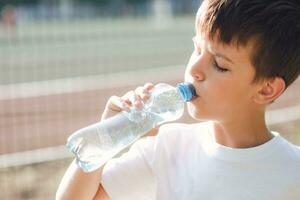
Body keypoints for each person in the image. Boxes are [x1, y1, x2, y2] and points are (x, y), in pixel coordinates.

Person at [56, 0, 300, 199]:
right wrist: (105, 140)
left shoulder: (293, 173)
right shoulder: (168, 148)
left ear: (267, 89)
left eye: (219, 65)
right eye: (197, 49)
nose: (195, 68)